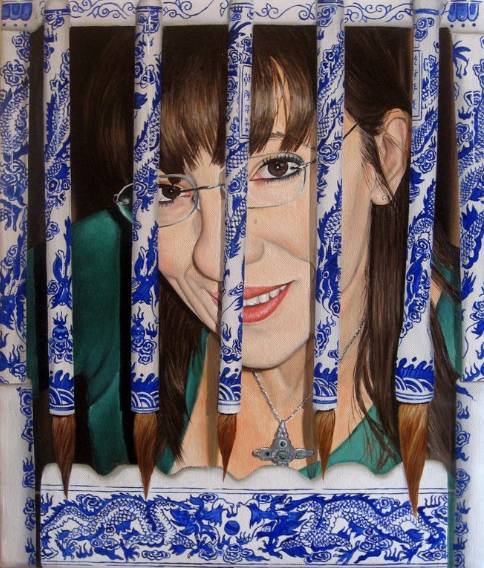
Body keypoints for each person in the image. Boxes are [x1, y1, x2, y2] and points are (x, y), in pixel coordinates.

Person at [28, 26, 459, 489]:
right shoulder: (109, 267)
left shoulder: (467, 336)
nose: (214, 259)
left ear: (386, 157)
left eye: (276, 168)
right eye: (167, 191)